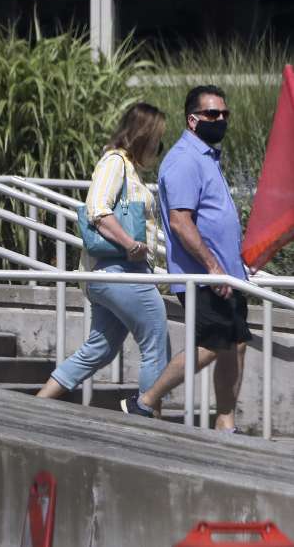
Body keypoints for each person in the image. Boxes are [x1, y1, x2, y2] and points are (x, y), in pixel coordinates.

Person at [124, 86, 253, 431]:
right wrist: (212, 266)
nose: (221, 120)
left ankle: (226, 423)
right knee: (211, 345)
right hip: (204, 275)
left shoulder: (207, 157)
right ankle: (144, 401)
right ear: (192, 120)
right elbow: (181, 222)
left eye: (225, 114)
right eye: (213, 114)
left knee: (235, 345)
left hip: (227, 274)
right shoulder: (183, 160)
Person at [37, 103, 170, 408]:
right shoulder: (114, 162)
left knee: (100, 348)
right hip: (120, 271)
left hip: (109, 275)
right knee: (155, 341)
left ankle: (36, 406)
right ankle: (148, 419)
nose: (158, 150)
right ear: (143, 137)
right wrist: (129, 244)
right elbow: (97, 209)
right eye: (157, 142)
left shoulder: (127, 168)